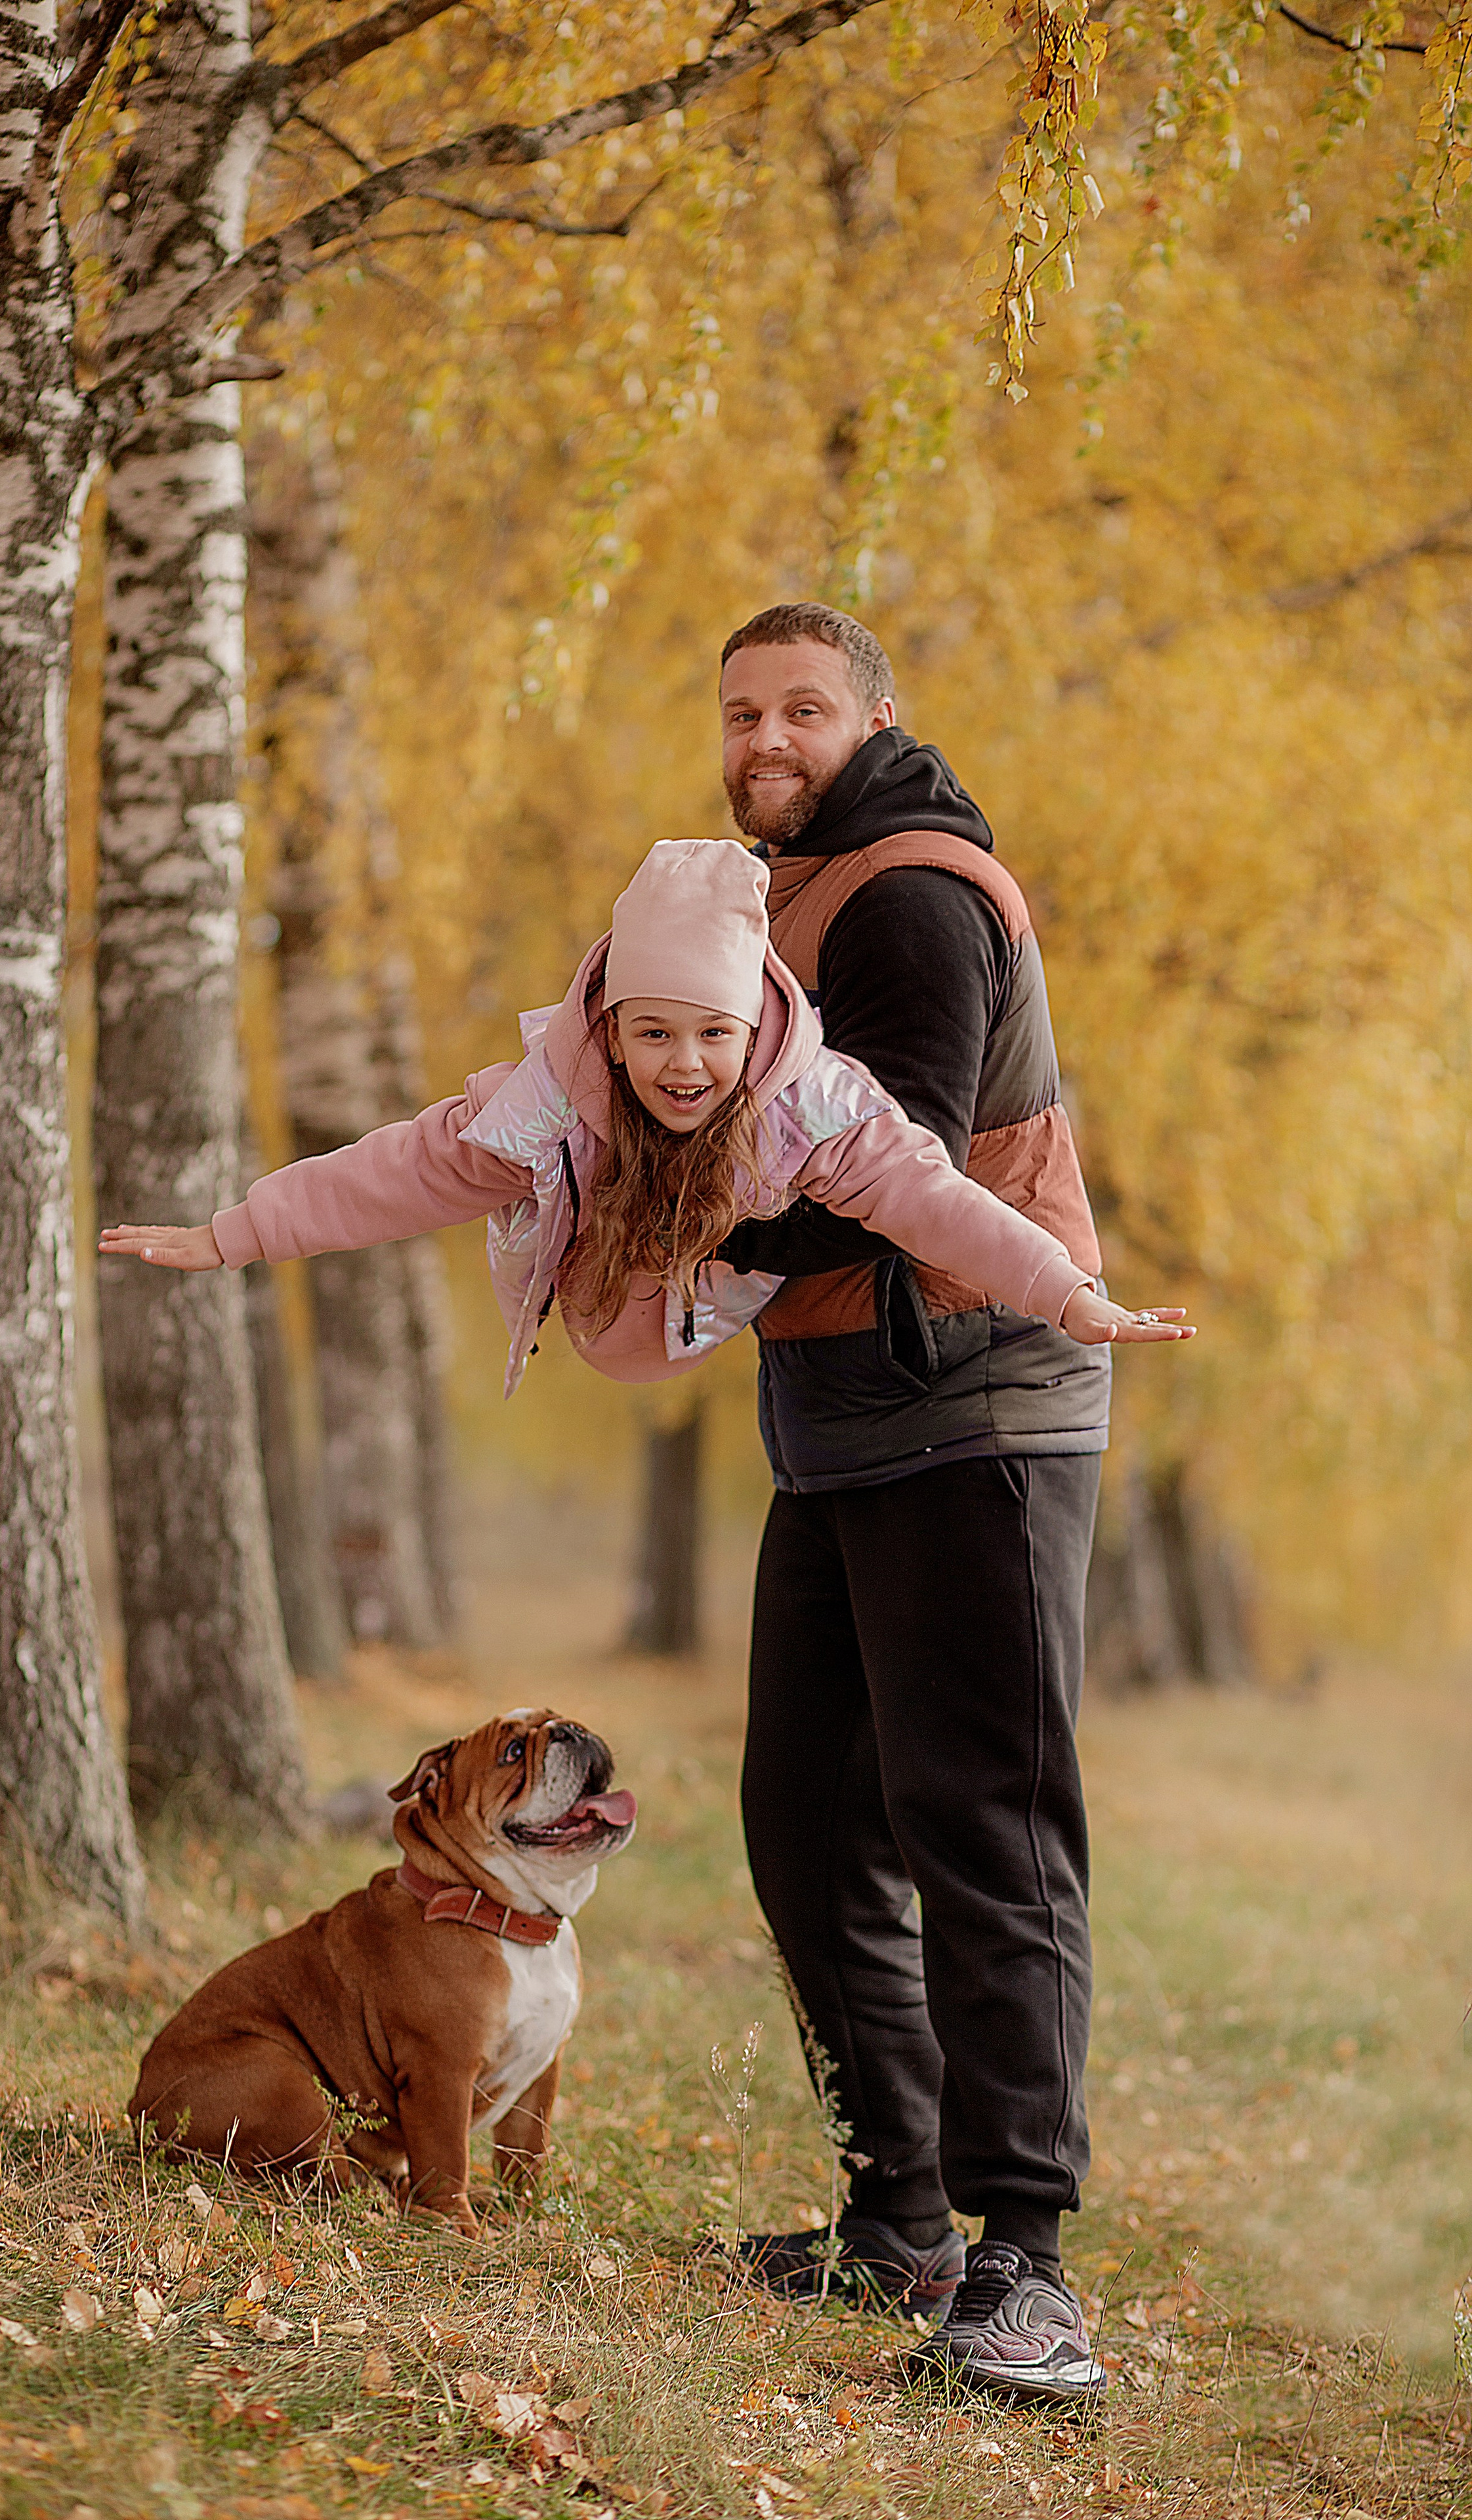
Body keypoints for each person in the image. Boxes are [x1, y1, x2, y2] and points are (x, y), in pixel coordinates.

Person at [713, 602, 1162, 2403]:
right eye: (740, 711)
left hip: (978, 1406)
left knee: (979, 1822)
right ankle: (897, 2219)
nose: (765, 739)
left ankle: (1028, 2267)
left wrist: (672, 1214)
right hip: (848, 1413)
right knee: (808, 1822)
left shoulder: (906, 887)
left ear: (874, 718)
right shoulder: (791, 889)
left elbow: (874, 1164)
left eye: (803, 709)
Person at [100, 846, 1185, 1411]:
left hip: (707, 1278)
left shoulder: (818, 1106)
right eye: (653, 1035)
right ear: (611, 1033)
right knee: (502, 1159)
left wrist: (1068, 1294)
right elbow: (406, 1169)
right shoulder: (554, 1092)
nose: (684, 1065)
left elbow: (941, 1205)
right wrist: (237, 1232)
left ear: (753, 1026)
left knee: (846, 1184)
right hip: (599, 1280)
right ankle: (622, 1215)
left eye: (712, 1036)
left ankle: (692, 1229)